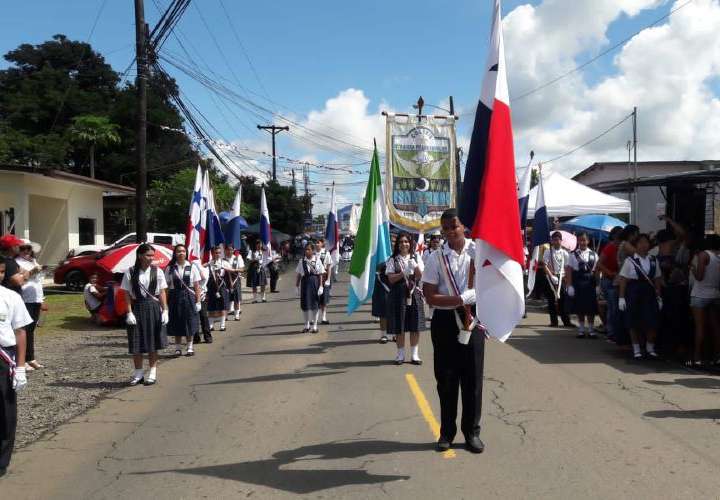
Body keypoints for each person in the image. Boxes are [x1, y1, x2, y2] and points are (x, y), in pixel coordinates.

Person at [422, 209, 484, 454]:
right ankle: (447, 432)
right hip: (446, 322)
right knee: (446, 380)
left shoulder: (479, 252)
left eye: (453, 226)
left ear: (464, 226)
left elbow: (492, 283)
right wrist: (459, 299)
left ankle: (472, 433)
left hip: (474, 320)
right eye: (445, 228)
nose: (449, 231)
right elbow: (429, 295)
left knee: (473, 380)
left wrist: (477, 296)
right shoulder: (435, 258)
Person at [121, 243, 169, 386]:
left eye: (152, 255)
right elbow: (127, 294)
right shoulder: (130, 272)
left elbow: (161, 292)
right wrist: (129, 312)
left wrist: (165, 310)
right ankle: (138, 373)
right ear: (140, 256)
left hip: (153, 307)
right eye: (148, 255)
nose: (151, 258)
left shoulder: (158, 271)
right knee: (137, 341)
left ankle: (153, 372)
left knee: (152, 341)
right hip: (138, 307)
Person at [0, 259, 29, 476]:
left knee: (5, 411)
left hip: (3, 359)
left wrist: (20, 367)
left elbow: (20, 332)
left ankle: (2, 461)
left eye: (1, 271)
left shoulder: (11, 297)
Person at [618, 234, 663, 359]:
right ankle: (636, 348)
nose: (644, 245)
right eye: (641, 243)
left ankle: (649, 347)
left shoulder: (654, 260)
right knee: (633, 322)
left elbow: (658, 279)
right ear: (636, 245)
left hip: (650, 294)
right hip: (634, 293)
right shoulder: (630, 261)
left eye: (646, 242)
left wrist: (659, 296)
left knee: (652, 322)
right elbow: (623, 280)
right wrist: (621, 297)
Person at [386, 232, 425, 365]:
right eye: (401, 242)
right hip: (398, 294)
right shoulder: (393, 259)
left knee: (415, 324)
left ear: (410, 244)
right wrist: (403, 273)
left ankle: (414, 355)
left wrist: (414, 266)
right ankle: (400, 354)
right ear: (398, 244)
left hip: (414, 294)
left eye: (406, 241)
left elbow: (420, 276)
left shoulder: (416, 257)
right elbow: (390, 279)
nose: (404, 244)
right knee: (400, 325)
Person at [688, 234, 720, 366]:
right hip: (716, 294)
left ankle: (697, 357)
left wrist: (693, 269)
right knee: (716, 327)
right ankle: (717, 356)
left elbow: (700, 277)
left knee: (700, 327)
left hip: (700, 294)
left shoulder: (704, 255)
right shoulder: (718, 257)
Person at [165, 244, 202, 357]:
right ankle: (177, 348)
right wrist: (165, 304)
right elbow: (166, 287)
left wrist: (198, 301)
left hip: (189, 296)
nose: (181, 253)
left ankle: (190, 347)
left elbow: (196, 286)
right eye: (178, 251)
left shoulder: (192, 267)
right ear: (175, 254)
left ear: (186, 253)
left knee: (189, 321)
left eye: (183, 251)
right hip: (174, 296)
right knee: (177, 321)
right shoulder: (170, 268)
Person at [15, 241, 45, 370]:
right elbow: (20, 278)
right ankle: (23, 360)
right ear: (18, 249)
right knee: (24, 330)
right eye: (23, 248)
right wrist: (33, 271)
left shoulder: (33, 261)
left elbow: (38, 281)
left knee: (31, 330)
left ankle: (30, 357)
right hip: (25, 298)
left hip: (36, 298)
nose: (26, 251)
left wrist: (42, 299)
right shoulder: (16, 262)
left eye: (28, 248)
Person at [565, 232, 599, 338]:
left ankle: (591, 329)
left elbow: (597, 271)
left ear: (588, 241)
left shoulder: (594, 254)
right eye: (580, 240)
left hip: (590, 283)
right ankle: (581, 329)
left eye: (584, 240)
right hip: (578, 282)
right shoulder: (572, 255)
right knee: (580, 307)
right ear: (578, 241)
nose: (582, 242)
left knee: (590, 307)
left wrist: (598, 285)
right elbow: (569, 270)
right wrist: (569, 285)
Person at [541, 231, 573, 327]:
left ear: (561, 241)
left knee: (563, 301)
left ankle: (566, 321)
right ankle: (554, 322)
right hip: (552, 277)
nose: (556, 242)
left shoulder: (565, 253)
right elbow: (544, 265)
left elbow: (567, 268)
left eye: (558, 240)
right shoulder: (548, 251)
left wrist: (568, 282)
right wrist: (551, 275)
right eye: (554, 240)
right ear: (552, 241)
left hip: (562, 278)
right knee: (551, 300)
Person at [598, 226, 623, 341]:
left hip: (620, 280)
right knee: (612, 307)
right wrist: (610, 273)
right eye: (618, 236)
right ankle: (611, 332)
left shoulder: (623, 247)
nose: (619, 238)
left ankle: (614, 331)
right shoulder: (609, 247)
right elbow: (599, 264)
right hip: (609, 280)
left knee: (615, 308)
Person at [295, 243, 325, 333]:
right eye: (306, 249)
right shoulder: (302, 261)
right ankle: (306, 325)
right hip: (305, 283)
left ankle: (315, 326)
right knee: (305, 305)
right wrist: (296, 286)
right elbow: (299, 274)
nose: (306, 251)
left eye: (308, 249)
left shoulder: (317, 260)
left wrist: (321, 286)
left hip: (314, 283)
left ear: (312, 250)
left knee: (314, 305)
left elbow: (320, 274)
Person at [205, 246, 231, 331]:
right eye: (216, 253)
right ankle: (211, 325)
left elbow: (231, 273)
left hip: (222, 287)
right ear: (212, 254)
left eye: (219, 253)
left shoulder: (224, 263)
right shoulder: (209, 264)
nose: (218, 254)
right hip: (211, 287)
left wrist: (230, 286)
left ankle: (222, 325)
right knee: (211, 306)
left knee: (222, 306)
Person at [224, 245, 245, 320]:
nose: (229, 251)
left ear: (233, 250)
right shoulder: (222, 259)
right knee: (226, 299)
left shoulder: (237, 258)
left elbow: (242, 269)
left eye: (231, 250)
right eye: (228, 250)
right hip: (225, 281)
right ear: (225, 250)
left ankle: (236, 315)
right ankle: (225, 316)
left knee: (236, 298)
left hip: (235, 280)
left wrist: (234, 270)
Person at [372, 262, 391, 343]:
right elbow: (376, 268)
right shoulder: (383, 255)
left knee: (397, 313)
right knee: (383, 311)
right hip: (383, 281)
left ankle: (395, 334)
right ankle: (383, 334)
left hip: (398, 283)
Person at [316, 238, 333, 325]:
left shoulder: (326, 253)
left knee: (324, 299)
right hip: (315, 277)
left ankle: (324, 317)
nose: (316, 244)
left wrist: (329, 279)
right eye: (316, 243)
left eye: (318, 243)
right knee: (315, 299)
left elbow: (329, 267)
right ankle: (314, 318)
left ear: (322, 244)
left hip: (324, 277)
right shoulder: (313, 253)